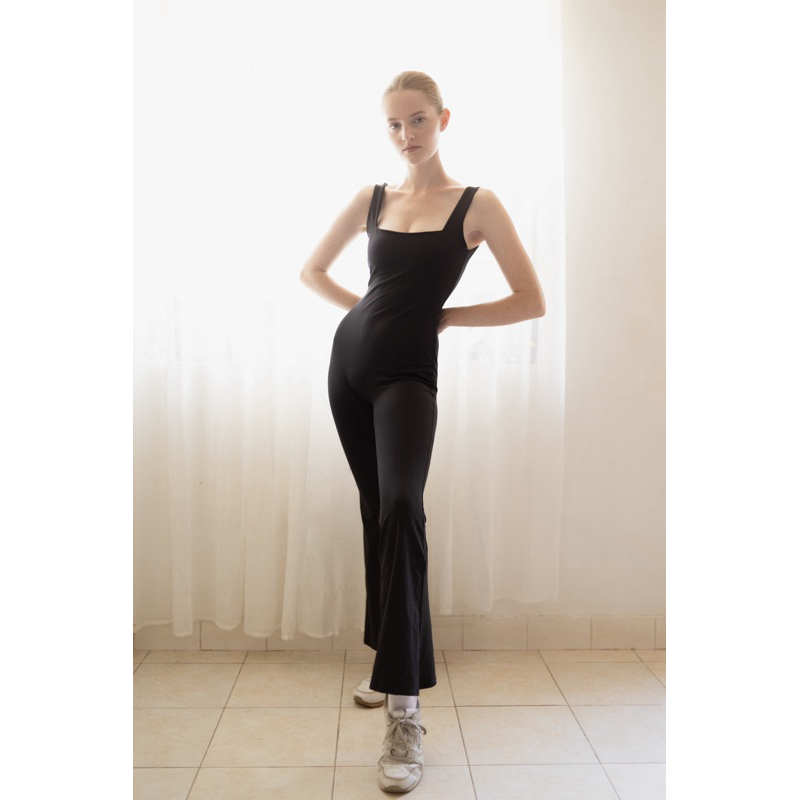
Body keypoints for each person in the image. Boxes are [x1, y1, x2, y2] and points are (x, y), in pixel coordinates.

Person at [300, 70, 546, 794]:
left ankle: (404, 712)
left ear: (443, 119)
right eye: (393, 124)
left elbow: (531, 299)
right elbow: (312, 271)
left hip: (408, 376)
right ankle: (388, 661)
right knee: (377, 510)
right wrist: (368, 314)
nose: (405, 135)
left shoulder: (478, 204)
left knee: (404, 508)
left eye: (417, 120)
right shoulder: (371, 198)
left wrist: (440, 319)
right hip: (347, 367)